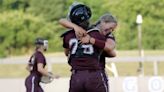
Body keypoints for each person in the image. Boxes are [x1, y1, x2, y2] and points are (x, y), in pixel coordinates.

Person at [61, 3, 115, 92]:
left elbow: (67, 53)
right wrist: (92, 41)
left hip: (76, 76)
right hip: (93, 75)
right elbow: (111, 51)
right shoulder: (96, 34)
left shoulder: (67, 35)